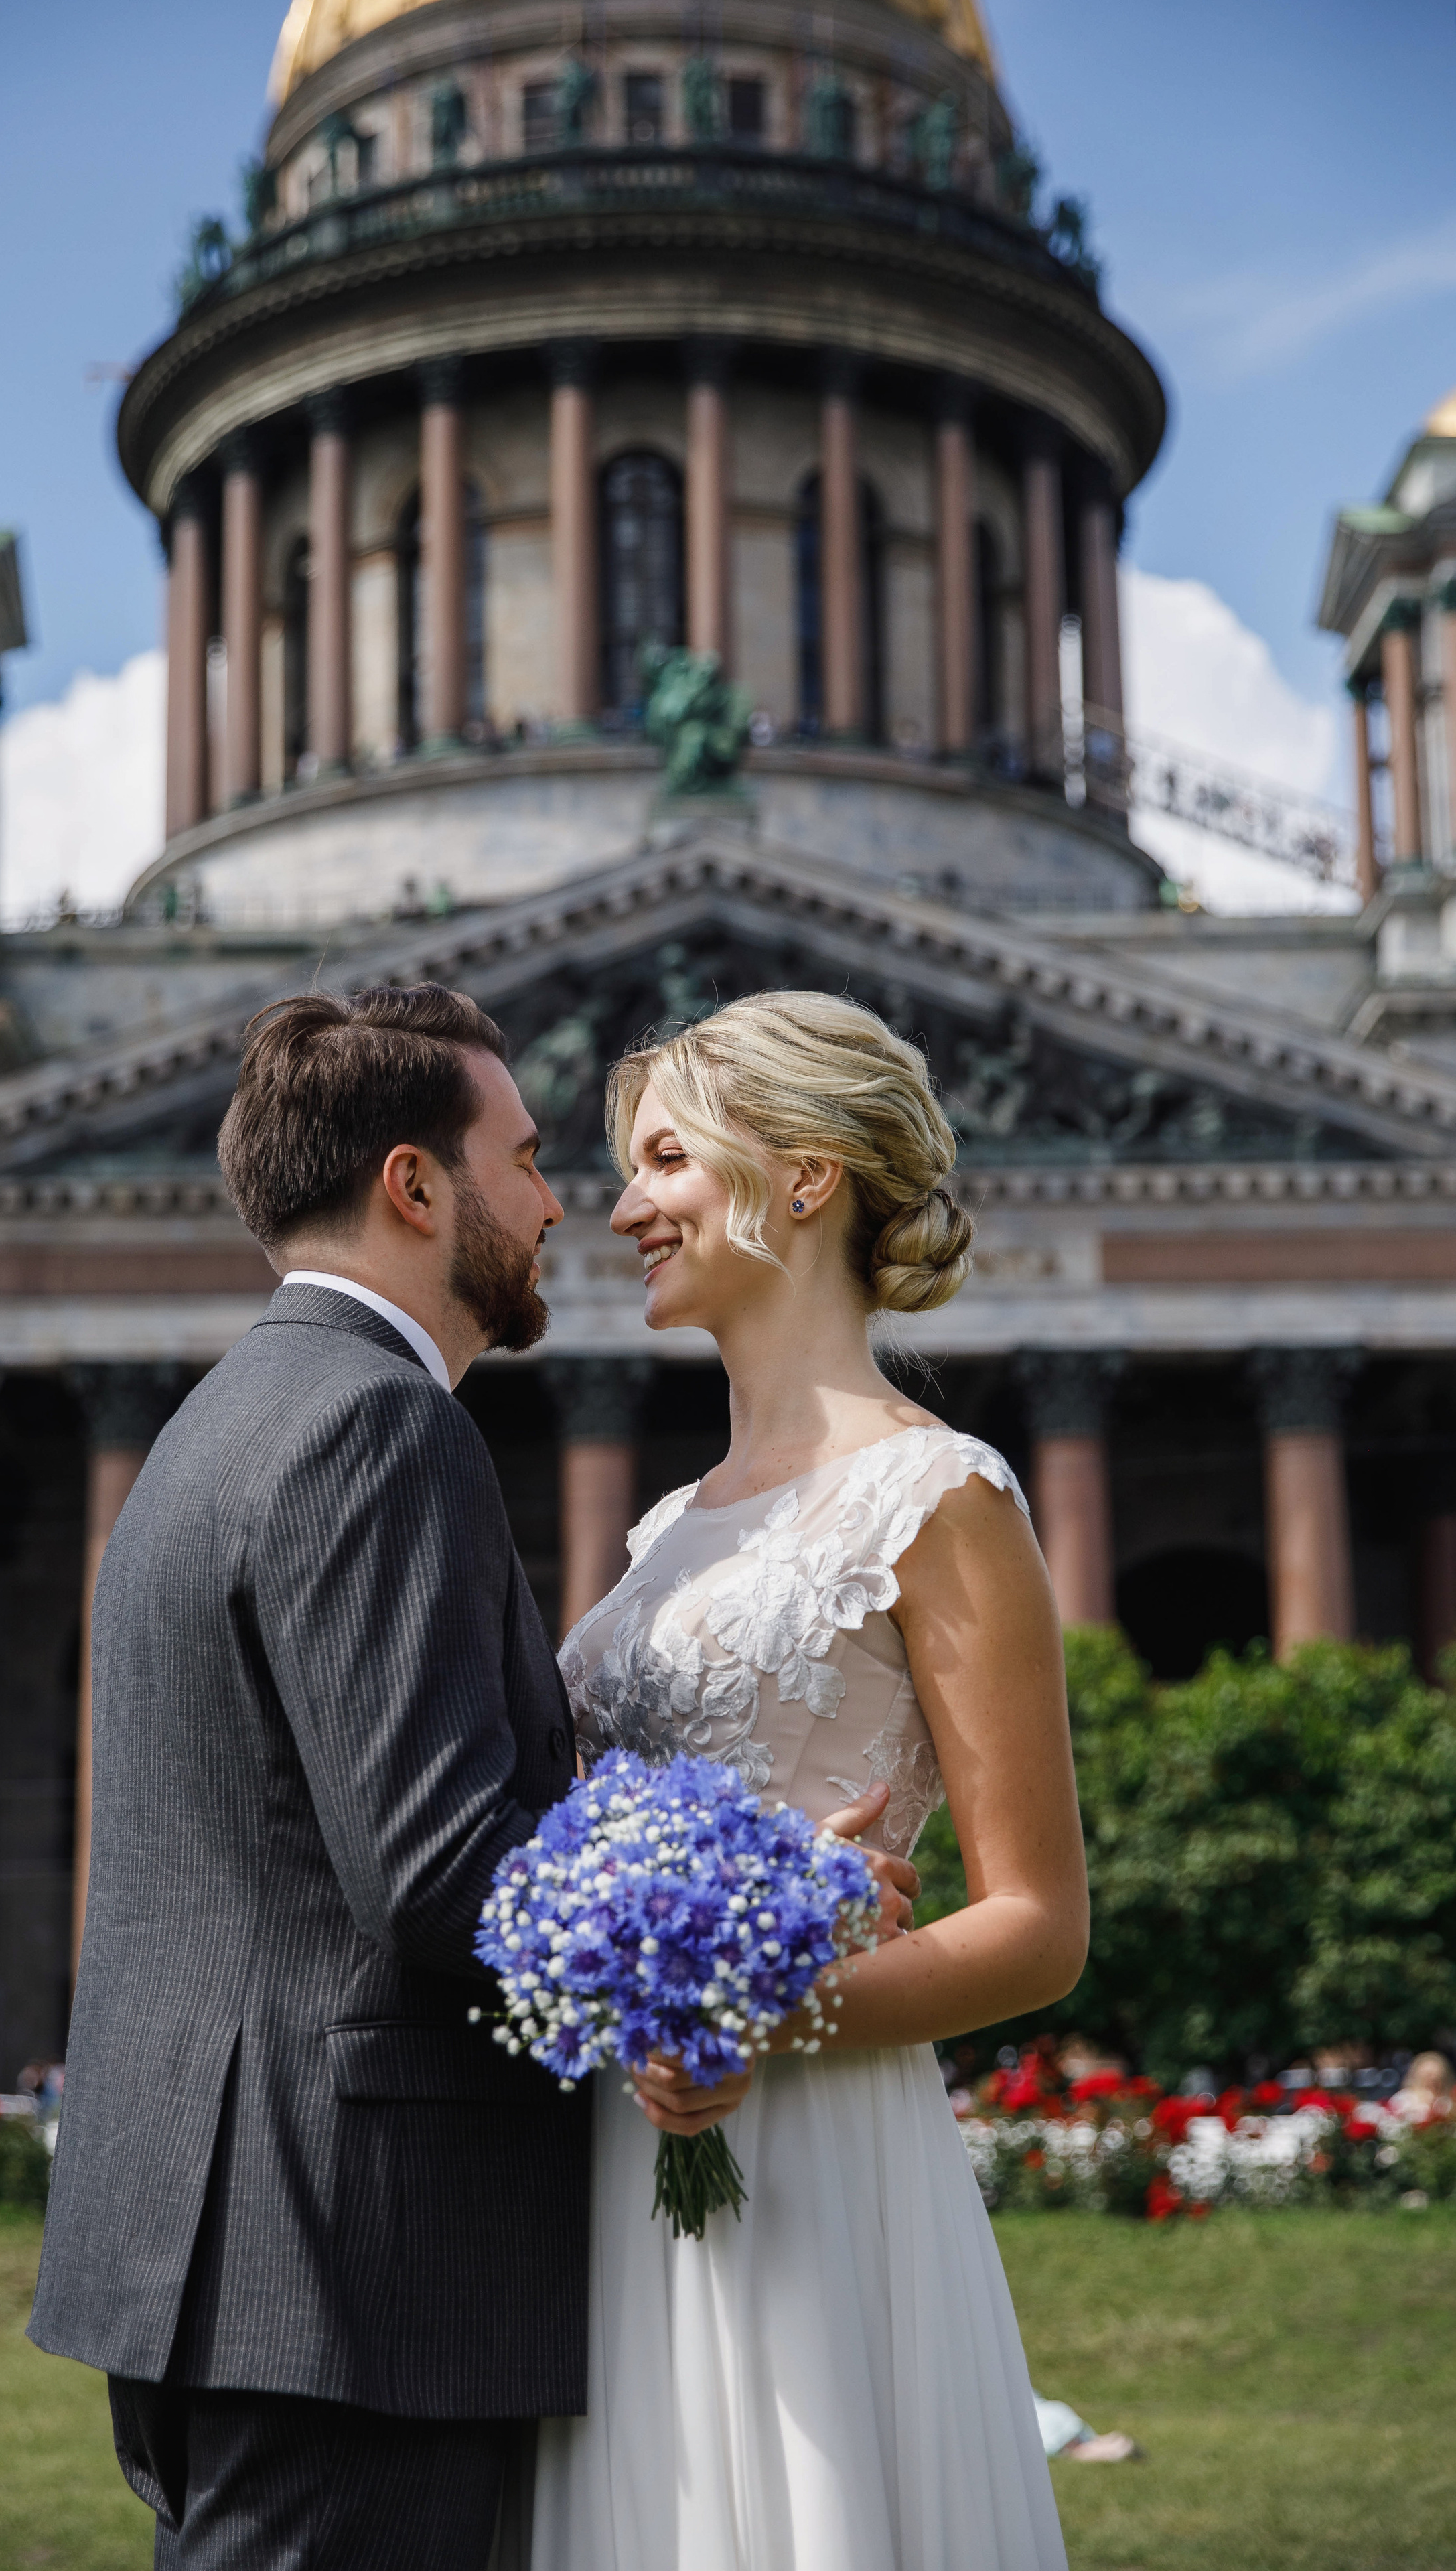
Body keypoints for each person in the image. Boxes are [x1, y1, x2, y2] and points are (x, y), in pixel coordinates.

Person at [27, 980, 920, 2571]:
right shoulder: (379, 1423)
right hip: (350, 2252)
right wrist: (782, 1903)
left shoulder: (221, 1418)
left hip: (225, 2234)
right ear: (414, 1185)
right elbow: (439, 1872)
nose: (561, 1196)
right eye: (519, 1153)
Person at [536, 991, 1090, 2571]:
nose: (624, 1205)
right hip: (618, 2142)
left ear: (800, 1177)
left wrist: (756, 2015)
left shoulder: (938, 1493)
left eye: (660, 1160)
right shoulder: (663, 1529)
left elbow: (1037, 1923)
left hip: (810, 2152)